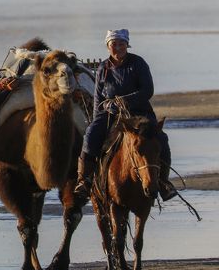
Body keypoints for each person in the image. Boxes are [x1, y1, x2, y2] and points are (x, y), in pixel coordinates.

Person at [75, 29, 177, 200]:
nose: (117, 47)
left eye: (121, 44)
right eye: (113, 44)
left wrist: (124, 101)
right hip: (110, 113)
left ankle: (163, 182)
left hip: (139, 112)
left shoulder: (138, 63)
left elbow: (147, 90)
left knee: (161, 139)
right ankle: (84, 181)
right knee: (91, 135)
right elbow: (98, 97)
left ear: (127, 45)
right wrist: (97, 118)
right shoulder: (103, 68)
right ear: (108, 46)